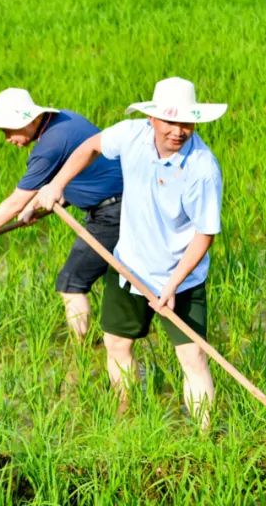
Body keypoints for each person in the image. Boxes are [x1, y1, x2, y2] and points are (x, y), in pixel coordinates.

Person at [22, 77, 226, 429]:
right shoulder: (131, 135)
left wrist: (173, 285)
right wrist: (56, 186)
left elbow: (204, 234)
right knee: (116, 344)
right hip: (128, 264)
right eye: (170, 121)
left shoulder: (202, 168)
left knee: (192, 356)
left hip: (180, 276)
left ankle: (205, 438)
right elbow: (90, 147)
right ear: (153, 119)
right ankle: (124, 418)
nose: (178, 131)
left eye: (186, 123)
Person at [0, 88, 124, 340]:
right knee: (121, 280)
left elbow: (15, 202)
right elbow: (78, 173)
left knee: (70, 284)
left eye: (8, 130)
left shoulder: (50, 145)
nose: (6, 138)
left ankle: (83, 351)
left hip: (113, 214)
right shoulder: (66, 120)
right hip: (125, 203)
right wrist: (35, 206)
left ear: (29, 121)